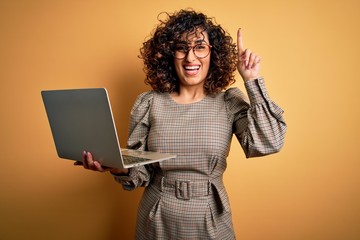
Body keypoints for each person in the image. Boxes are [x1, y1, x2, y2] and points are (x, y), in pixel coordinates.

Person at [77, 9, 286, 240]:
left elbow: (269, 142)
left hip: (210, 217)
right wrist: (117, 166)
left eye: (200, 47)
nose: (190, 57)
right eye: (181, 48)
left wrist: (252, 80)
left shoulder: (228, 102)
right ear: (169, 54)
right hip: (157, 217)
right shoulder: (149, 103)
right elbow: (140, 173)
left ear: (213, 54)